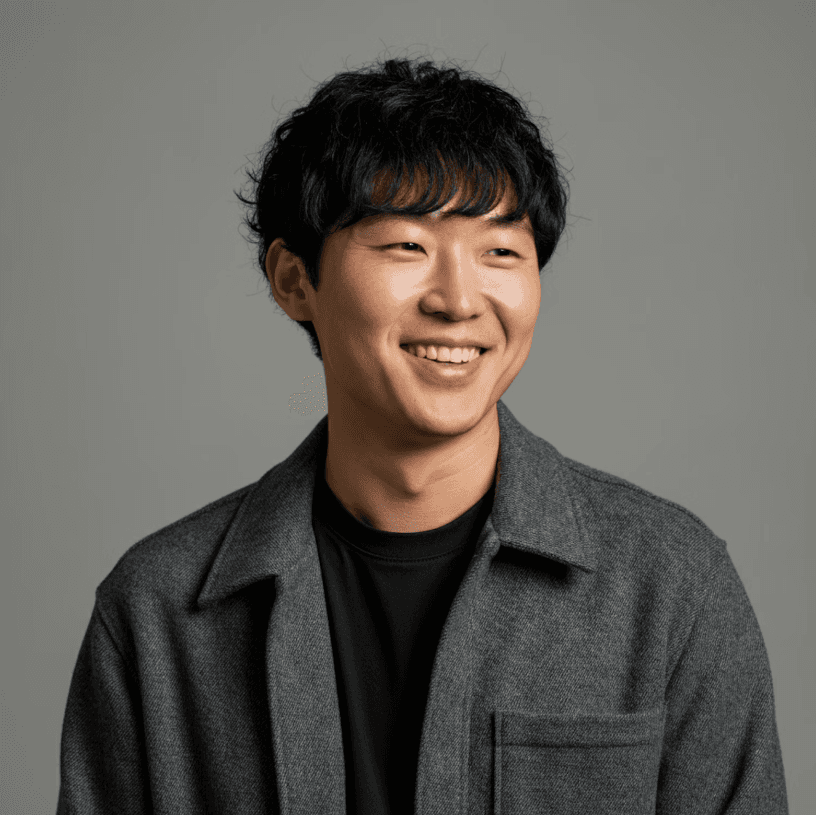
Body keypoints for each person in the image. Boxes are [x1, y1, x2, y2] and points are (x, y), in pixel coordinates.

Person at [56, 56, 788, 815]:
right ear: (293, 280)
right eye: (407, 246)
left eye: (501, 250)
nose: (459, 299)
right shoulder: (156, 610)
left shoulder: (671, 586)